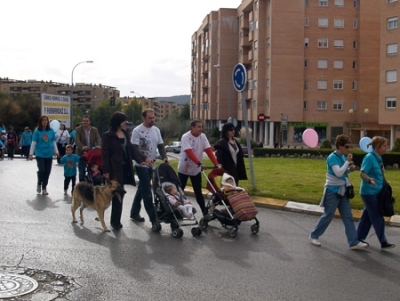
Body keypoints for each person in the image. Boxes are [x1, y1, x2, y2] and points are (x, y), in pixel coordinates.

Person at [309, 134, 368, 250]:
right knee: (328, 215)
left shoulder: (341, 157)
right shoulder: (333, 157)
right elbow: (338, 173)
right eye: (346, 147)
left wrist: (349, 170)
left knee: (348, 217)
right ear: (339, 146)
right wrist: (347, 162)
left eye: (349, 147)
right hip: (332, 191)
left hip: (342, 190)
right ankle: (314, 235)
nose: (348, 149)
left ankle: (353, 242)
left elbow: (343, 172)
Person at [102, 111, 141, 230]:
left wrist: (141, 160)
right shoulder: (108, 136)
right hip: (114, 169)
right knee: (116, 193)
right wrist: (106, 171)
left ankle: (115, 220)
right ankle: (114, 221)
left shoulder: (125, 133)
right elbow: (105, 154)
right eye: (124, 121)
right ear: (118, 122)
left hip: (125, 168)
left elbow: (131, 150)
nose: (126, 123)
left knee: (120, 193)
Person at [129, 109, 168, 226]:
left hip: (152, 164)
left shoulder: (156, 130)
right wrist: (144, 158)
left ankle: (134, 212)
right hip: (141, 165)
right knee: (147, 191)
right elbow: (134, 148)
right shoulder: (137, 131)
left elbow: (161, 146)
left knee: (142, 188)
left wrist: (164, 157)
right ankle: (153, 218)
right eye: (150, 118)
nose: (152, 120)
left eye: (153, 118)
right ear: (144, 118)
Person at [357, 136, 396, 250]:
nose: (386, 148)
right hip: (368, 191)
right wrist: (369, 179)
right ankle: (383, 241)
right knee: (377, 215)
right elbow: (362, 173)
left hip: (377, 191)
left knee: (367, 216)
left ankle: (358, 237)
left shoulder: (378, 158)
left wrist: (385, 182)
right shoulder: (369, 157)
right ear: (377, 147)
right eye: (384, 146)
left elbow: (380, 173)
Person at [178, 119, 221, 216]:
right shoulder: (186, 137)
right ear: (192, 127)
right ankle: (178, 210)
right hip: (184, 169)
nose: (201, 129)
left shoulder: (203, 137)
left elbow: (208, 150)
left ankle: (204, 212)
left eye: (201, 127)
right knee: (180, 192)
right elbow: (189, 152)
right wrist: (199, 163)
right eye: (198, 127)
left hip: (195, 170)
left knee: (198, 193)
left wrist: (216, 163)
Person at [29, 115, 59, 195]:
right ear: (40, 122)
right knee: (42, 170)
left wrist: (56, 151)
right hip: (40, 154)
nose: (45, 121)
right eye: (43, 120)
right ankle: (39, 183)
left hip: (49, 154)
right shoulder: (37, 131)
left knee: (47, 172)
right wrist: (31, 154)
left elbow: (53, 142)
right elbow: (34, 143)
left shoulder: (51, 131)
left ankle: (44, 187)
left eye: (46, 120)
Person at [75, 115, 101, 182]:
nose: (85, 122)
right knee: (82, 171)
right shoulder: (78, 129)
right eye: (83, 121)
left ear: (90, 122)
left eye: (86, 121)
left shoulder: (94, 130)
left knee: (94, 169)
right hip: (82, 153)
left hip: (91, 153)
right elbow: (77, 140)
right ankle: (81, 184)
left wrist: (99, 145)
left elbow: (98, 138)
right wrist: (82, 147)